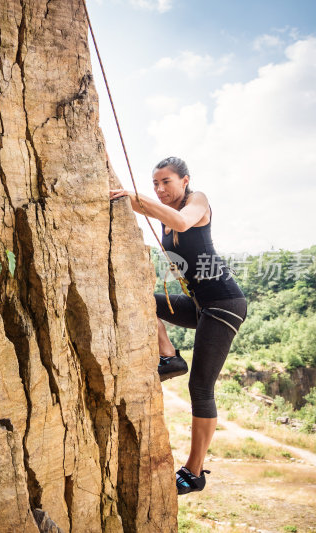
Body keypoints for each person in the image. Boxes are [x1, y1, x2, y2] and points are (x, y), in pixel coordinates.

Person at [109, 156, 247, 495]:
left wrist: (134, 195)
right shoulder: (163, 214)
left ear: (184, 181)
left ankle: (195, 472)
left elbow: (183, 223)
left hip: (223, 303)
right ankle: (169, 355)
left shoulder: (197, 201)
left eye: (166, 182)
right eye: (155, 183)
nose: (159, 189)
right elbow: (160, 218)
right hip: (200, 304)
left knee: (201, 388)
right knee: (141, 295)